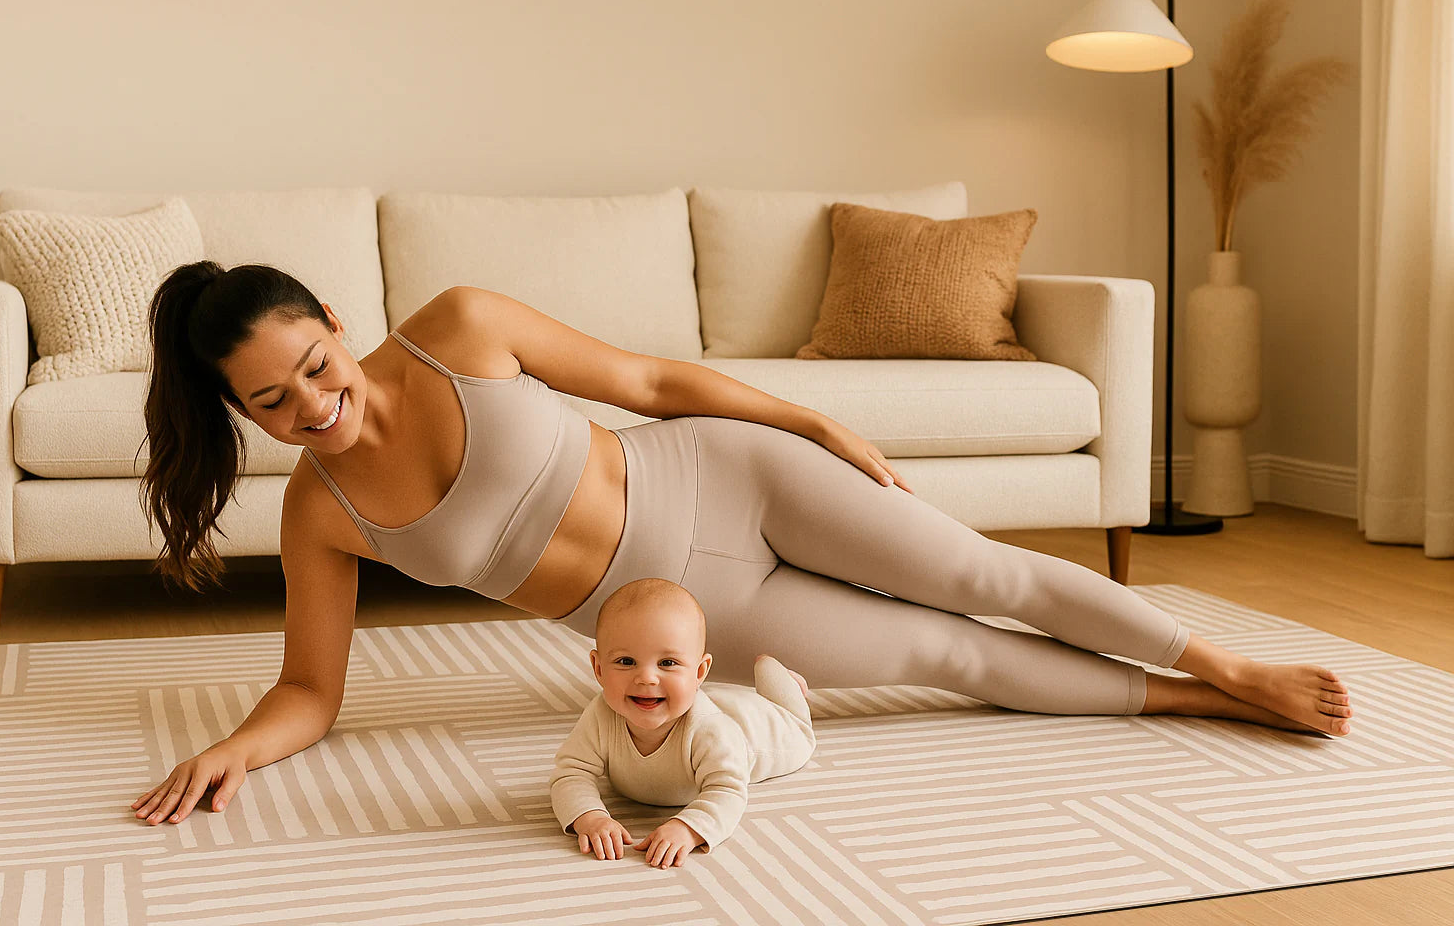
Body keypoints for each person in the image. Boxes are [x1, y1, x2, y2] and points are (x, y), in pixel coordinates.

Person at [130, 261, 1354, 828]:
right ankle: (1195, 704)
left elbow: (654, 382)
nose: (313, 407)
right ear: (243, 415)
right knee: (957, 655)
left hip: (730, 479)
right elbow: (310, 688)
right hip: (682, 622)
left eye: (314, 367)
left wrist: (809, 415)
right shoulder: (318, 512)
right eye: (272, 404)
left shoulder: (458, 326)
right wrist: (241, 745)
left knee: (992, 573)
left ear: (337, 326)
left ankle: (1230, 664)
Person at [550, 577, 816, 868]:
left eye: (667, 663)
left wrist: (688, 828)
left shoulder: (712, 730)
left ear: (700, 671)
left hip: (763, 730)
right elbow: (570, 773)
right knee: (704, 699)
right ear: (598, 669)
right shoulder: (602, 714)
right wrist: (590, 817)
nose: (646, 678)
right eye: (626, 661)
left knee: (794, 723)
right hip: (702, 700)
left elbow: (727, 790)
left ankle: (786, 683)